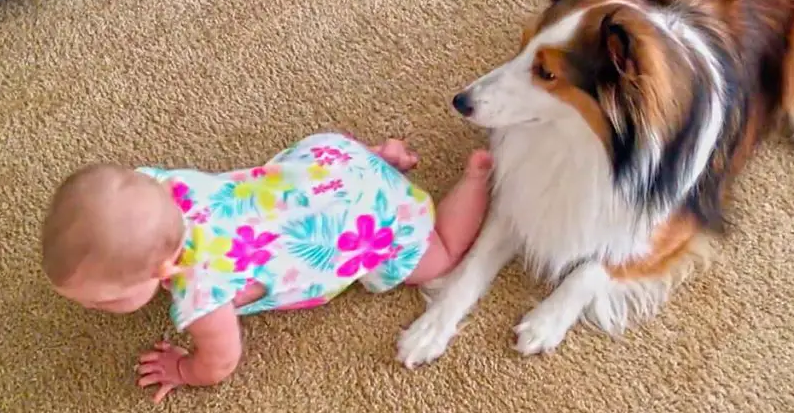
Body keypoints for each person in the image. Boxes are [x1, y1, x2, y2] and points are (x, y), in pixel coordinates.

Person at [40, 133, 492, 403]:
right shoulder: (155, 185)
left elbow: (220, 362)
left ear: (163, 271)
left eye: (107, 300)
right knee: (316, 180)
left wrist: (183, 370)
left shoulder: (203, 293)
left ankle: (476, 179)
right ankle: (379, 158)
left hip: (373, 218)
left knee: (439, 259)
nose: (96, 308)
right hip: (328, 161)